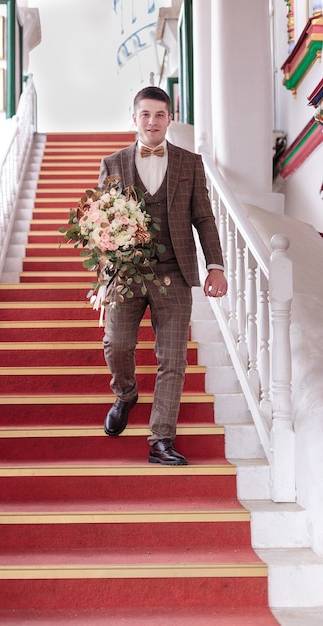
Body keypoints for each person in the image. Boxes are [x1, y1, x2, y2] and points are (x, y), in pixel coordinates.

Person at [98, 86, 227, 466]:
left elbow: (203, 217)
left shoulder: (190, 162)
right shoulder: (113, 163)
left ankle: (161, 440)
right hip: (127, 274)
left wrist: (215, 265)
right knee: (116, 344)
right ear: (133, 118)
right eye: (145, 114)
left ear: (169, 118)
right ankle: (125, 393)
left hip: (174, 272)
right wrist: (106, 262)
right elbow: (101, 221)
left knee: (173, 359)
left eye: (160, 115)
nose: (152, 122)